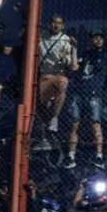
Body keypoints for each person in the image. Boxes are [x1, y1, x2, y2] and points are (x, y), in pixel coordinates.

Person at [66, 31, 107, 170]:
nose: (98, 40)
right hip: (79, 93)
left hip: (95, 94)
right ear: (91, 40)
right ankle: (71, 156)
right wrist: (74, 49)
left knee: (96, 124)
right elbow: (74, 67)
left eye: (100, 37)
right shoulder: (87, 54)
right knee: (75, 124)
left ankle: (99, 156)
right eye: (95, 38)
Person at [36, 15, 79, 149]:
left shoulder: (66, 40)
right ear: (50, 24)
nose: (56, 25)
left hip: (57, 75)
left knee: (63, 82)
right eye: (53, 22)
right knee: (43, 108)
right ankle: (44, 139)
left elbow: (72, 66)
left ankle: (55, 118)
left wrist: (72, 51)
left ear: (63, 26)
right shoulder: (40, 36)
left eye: (59, 23)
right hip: (44, 77)